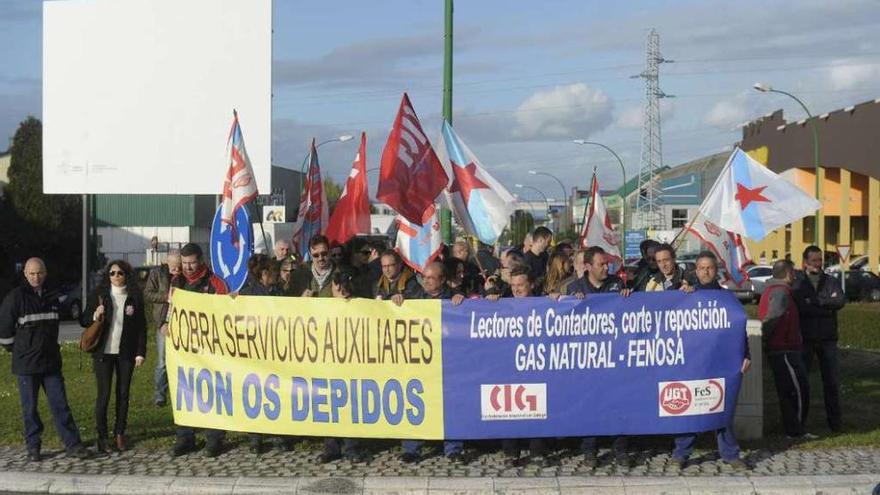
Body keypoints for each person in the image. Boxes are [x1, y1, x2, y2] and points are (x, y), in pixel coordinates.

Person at [0, 258, 89, 462]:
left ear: (45, 273)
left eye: (39, 273)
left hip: (50, 362)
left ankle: (73, 444)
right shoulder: (16, 297)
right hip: (26, 365)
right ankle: (33, 447)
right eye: (32, 273)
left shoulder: (52, 296)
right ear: (25, 274)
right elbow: (4, 330)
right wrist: (17, 350)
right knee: (30, 409)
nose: (36, 277)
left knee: (60, 405)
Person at [670, 252, 749, 469]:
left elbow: (738, 330)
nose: (706, 271)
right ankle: (681, 454)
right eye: (702, 268)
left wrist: (746, 355)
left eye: (710, 268)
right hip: (693, 363)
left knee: (723, 408)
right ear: (696, 270)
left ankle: (731, 455)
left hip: (720, 362)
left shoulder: (727, 298)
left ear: (717, 271)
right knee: (690, 408)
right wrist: (680, 292)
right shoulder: (687, 294)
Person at [556, 247, 629, 467]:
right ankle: (589, 450)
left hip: (614, 356)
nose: (607, 267)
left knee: (617, 404)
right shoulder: (572, 287)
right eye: (601, 264)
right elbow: (557, 318)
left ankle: (621, 450)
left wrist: (628, 297)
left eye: (607, 264)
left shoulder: (617, 284)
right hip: (585, 359)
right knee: (589, 404)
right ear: (587, 267)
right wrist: (567, 301)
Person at [395, 262, 466, 463]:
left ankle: (453, 448)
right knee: (416, 401)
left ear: (442, 280)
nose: (425, 281)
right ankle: (412, 448)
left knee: (450, 404)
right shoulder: (416, 298)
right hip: (422, 362)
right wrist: (398, 300)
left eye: (430, 278)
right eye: (424, 277)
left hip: (448, 362)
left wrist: (462, 301)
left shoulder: (455, 299)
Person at [167, 243, 229, 457]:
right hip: (184, 349)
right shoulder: (177, 281)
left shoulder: (215, 283)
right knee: (184, 391)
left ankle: (214, 438)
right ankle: (185, 437)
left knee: (212, 391)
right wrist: (165, 324)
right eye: (184, 263)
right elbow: (171, 309)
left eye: (192, 263)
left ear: (201, 260)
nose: (188, 267)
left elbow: (225, 313)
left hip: (210, 348)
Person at [487, 266, 551, 467]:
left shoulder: (543, 302)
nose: (516, 289)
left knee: (538, 407)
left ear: (531, 285)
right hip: (508, 365)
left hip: (535, 362)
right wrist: (489, 298)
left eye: (521, 285)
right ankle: (510, 452)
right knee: (508, 408)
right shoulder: (502, 302)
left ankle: (537, 450)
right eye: (513, 285)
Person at [81, 260, 147, 453]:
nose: (116, 277)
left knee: (123, 394)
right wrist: (95, 314)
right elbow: (83, 320)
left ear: (127, 275)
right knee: (104, 396)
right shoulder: (100, 295)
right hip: (103, 353)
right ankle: (102, 437)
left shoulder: (134, 297)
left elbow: (141, 328)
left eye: (120, 273)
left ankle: (120, 433)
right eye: (112, 273)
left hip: (125, 353)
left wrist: (140, 353)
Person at [792, 246, 845, 432]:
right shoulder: (798, 282)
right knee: (802, 382)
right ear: (805, 262)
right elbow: (800, 307)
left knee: (831, 381)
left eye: (820, 260)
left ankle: (835, 422)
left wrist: (817, 301)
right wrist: (825, 307)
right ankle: (799, 422)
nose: (818, 263)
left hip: (827, 338)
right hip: (806, 338)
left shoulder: (830, 281)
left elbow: (839, 301)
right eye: (814, 260)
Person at [759, 260, 813, 440]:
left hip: (783, 348)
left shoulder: (773, 291)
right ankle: (796, 430)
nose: (795, 276)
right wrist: (767, 342)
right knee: (797, 390)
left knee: (788, 391)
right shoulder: (781, 293)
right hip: (784, 349)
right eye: (793, 273)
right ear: (789, 274)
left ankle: (792, 428)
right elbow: (771, 320)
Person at [321, 271, 365, 463]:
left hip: (352, 362)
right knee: (330, 404)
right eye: (337, 286)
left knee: (350, 404)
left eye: (343, 285)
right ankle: (331, 447)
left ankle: (351, 447)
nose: (341, 290)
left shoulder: (359, 303)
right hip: (329, 361)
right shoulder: (323, 304)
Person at [143, 250, 180, 407]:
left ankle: (180, 393)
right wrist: (166, 296)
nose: (177, 270)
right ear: (167, 262)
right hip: (163, 322)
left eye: (179, 267)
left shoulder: (184, 275)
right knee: (162, 361)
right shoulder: (157, 274)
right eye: (174, 267)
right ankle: (160, 394)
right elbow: (148, 294)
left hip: (180, 322)